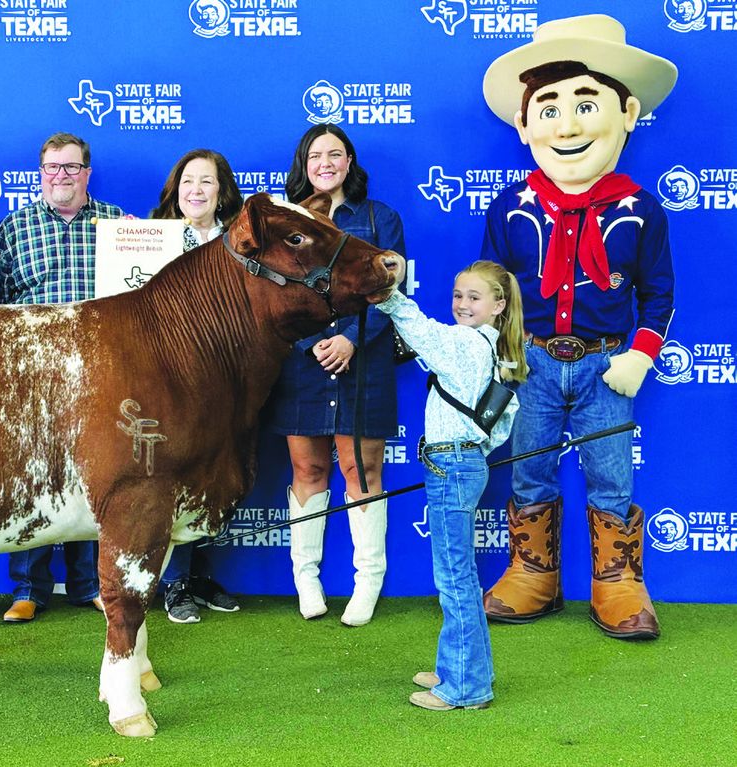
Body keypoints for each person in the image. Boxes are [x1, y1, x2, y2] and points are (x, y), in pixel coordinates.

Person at [478, 14, 677, 639]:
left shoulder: (639, 208)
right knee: (528, 467)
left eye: (586, 105)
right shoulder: (510, 206)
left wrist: (640, 355)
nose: (566, 126)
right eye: (550, 107)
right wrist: (500, 351)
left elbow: (659, 293)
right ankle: (531, 572)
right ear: (524, 122)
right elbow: (492, 289)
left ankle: (617, 582)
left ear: (626, 113)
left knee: (612, 471)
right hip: (532, 361)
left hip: (606, 365)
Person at [375, 258, 528, 711]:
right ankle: (460, 668)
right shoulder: (490, 344)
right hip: (460, 463)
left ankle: (465, 687)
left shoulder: (464, 342)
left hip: (452, 467)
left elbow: (423, 332)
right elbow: (499, 424)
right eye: (458, 295)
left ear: (498, 305)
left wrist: (389, 296)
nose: (462, 304)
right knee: (457, 577)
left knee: (455, 579)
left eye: (474, 297)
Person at [269, 124, 406, 626]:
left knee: (361, 472)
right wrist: (311, 342)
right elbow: (278, 293)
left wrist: (349, 338)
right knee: (307, 470)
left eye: (335, 154)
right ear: (303, 164)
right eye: (315, 155)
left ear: (350, 162)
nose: (325, 163)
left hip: (363, 358)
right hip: (301, 362)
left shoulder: (379, 218)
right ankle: (306, 579)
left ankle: (366, 583)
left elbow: (391, 290)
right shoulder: (288, 220)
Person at [0, 132, 122, 623]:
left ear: (87, 172)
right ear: (40, 173)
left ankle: (89, 584)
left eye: (71, 167)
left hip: (102, 373)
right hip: (33, 376)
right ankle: (29, 588)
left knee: (98, 474)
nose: (60, 176)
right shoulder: (13, 229)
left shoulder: (116, 224)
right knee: (33, 476)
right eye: (51, 168)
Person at [148, 148, 244, 623]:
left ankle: (200, 575)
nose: (196, 191)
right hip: (171, 379)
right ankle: (174, 583)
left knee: (215, 476)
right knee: (178, 476)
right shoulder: (154, 238)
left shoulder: (239, 242)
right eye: (188, 181)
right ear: (175, 189)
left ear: (222, 190)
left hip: (228, 378)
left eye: (206, 182)